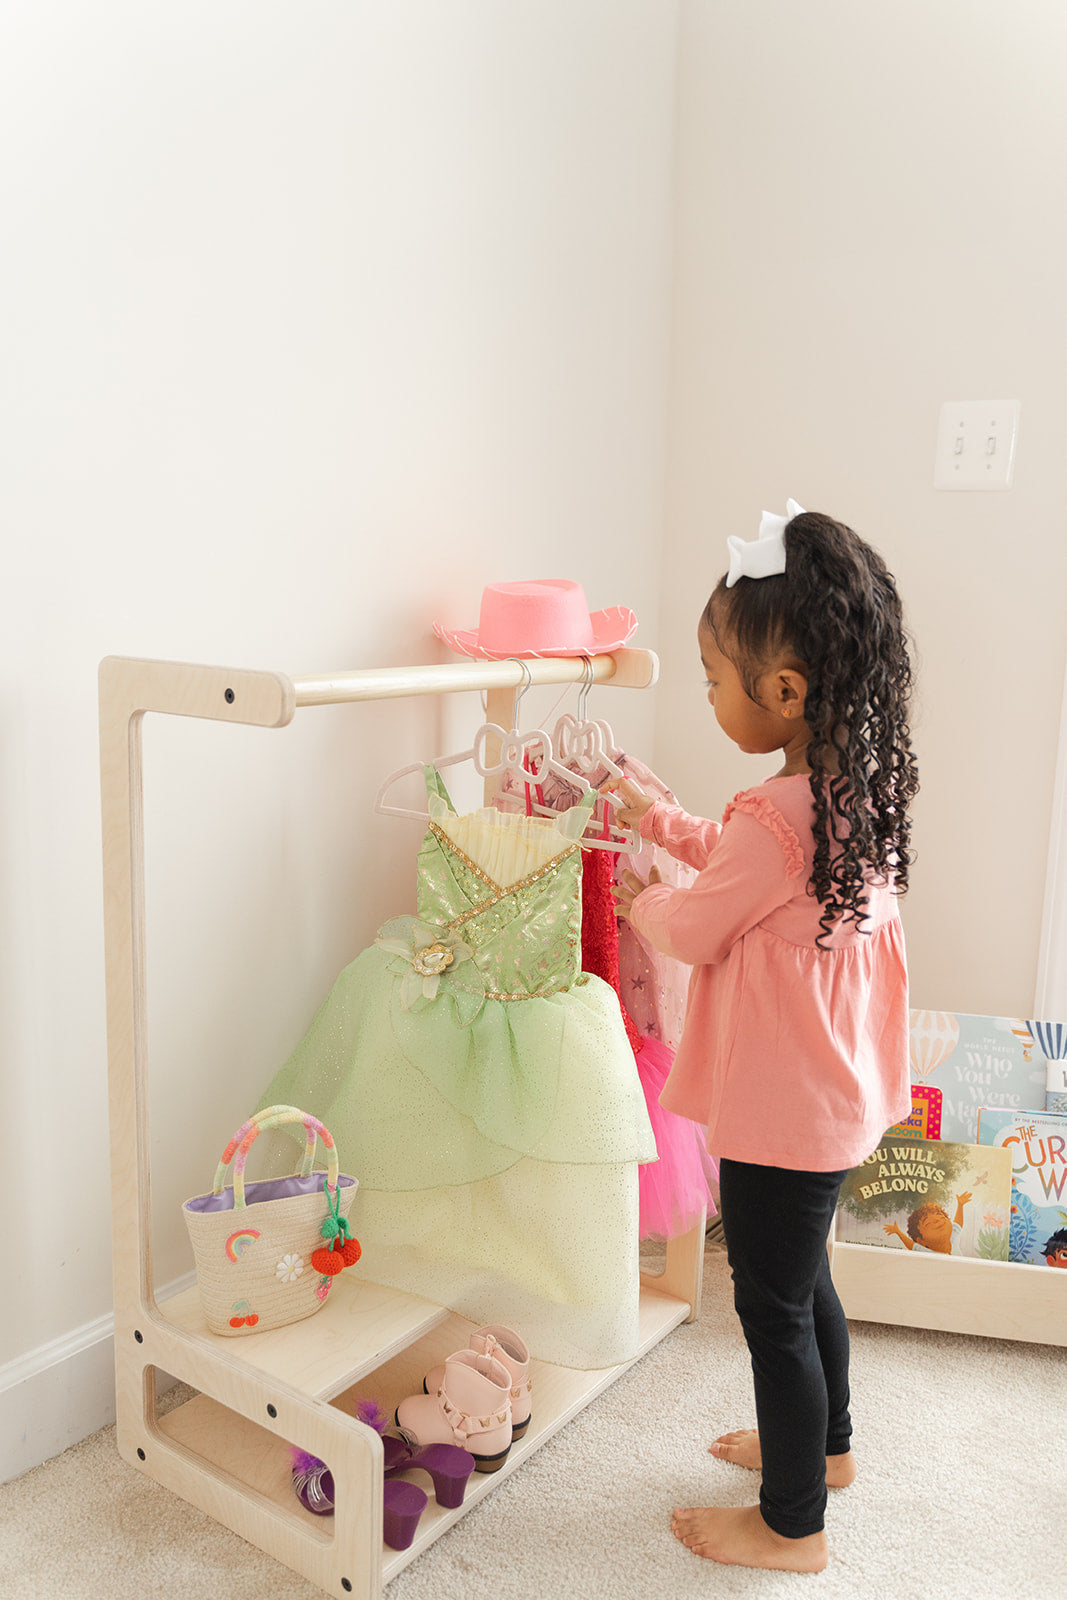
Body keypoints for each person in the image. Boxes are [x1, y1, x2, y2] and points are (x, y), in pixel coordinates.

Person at [609, 503, 918, 1574]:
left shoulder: (771, 817)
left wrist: (639, 893)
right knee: (805, 1279)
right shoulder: (849, 793)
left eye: (712, 679)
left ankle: (792, 1526)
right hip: (834, 1098)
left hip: (778, 1111)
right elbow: (751, 863)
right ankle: (826, 1450)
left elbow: (700, 922)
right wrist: (659, 820)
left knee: (770, 1305)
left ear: (782, 691)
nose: (706, 696)